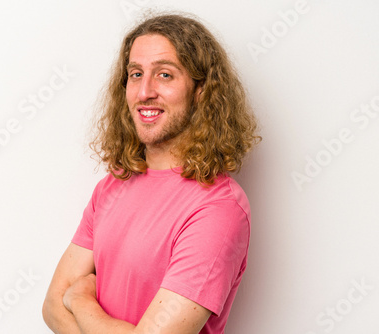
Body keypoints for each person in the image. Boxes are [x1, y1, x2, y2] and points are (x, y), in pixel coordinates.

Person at [42, 12, 260, 334]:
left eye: (165, 75)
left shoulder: (219, 208)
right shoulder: (111, 186)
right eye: (135, 74)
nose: (144, 92)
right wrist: (68, 302)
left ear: (201, 91)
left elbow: (67, 299)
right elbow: (51, 306)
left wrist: (80, 300)